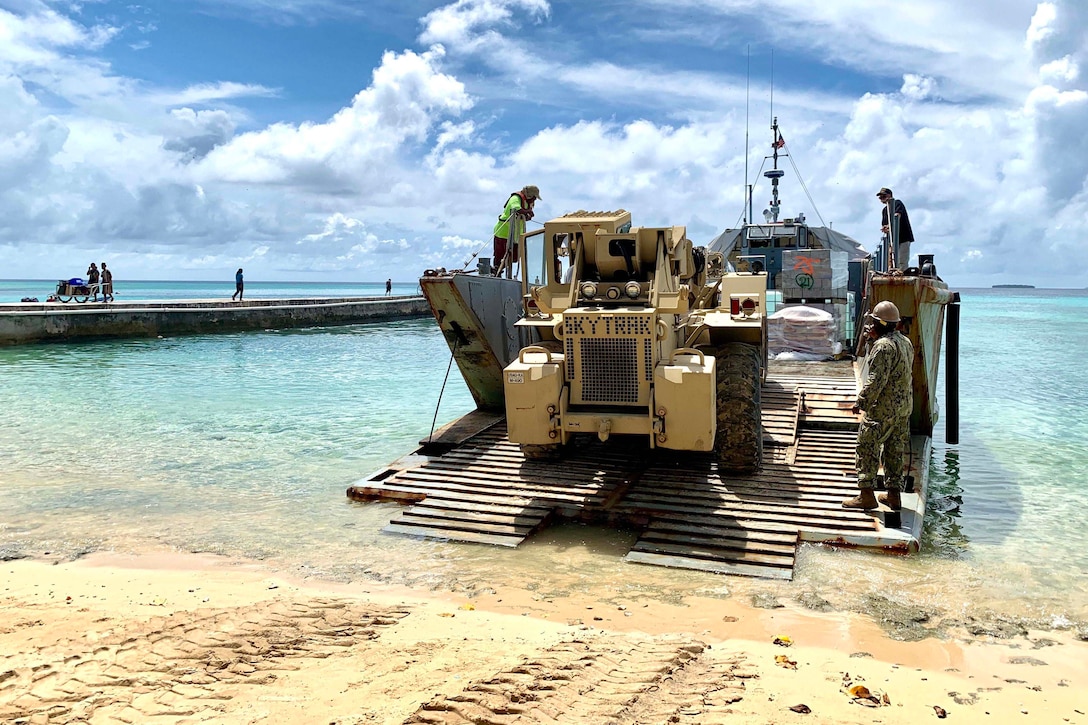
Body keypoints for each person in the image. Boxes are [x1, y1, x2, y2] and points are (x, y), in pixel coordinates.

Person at [843, 300, 914, 511]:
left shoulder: (883, 347)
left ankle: (866, 496)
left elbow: (876, 380)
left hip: (883, 410)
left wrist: (861, 402)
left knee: (867, 447)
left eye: (873, 322)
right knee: (894, 450)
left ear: (879, 323)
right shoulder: (905, 342)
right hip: (902, 409)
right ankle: (894, 496)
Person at [493, 184, 541, 277]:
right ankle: (496, 271)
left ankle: (499, 270)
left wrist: (528, 215)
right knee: (500, 255)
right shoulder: (516, 198)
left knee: (514, 257)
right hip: (503, 232)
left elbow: (524, 214)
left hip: (515, 235)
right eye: (534, 198)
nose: (534, 200)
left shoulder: (527, 202)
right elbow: (516, 209)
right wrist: (527, 212)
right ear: (530, 195)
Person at [877, 187, 913, 271]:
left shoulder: (897, 203)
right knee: (891, 261)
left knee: (902, 260)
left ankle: (902, 274)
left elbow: (898, 215)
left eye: (883, 196)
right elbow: (885, 224)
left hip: (903, 237)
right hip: (892, 240)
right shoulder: (884, 210)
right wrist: (885, 228)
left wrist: (891, 225)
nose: (882, 199)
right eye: (880, 197)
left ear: (889, 196)